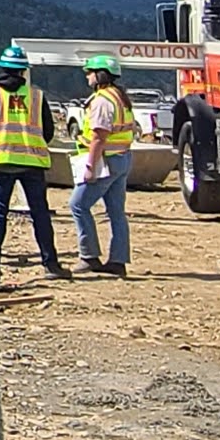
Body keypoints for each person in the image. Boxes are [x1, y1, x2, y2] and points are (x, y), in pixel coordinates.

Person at [0, 45, 68, 278]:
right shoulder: (37, 96)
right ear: (22, 72)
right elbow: (48, 131)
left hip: (1, 161)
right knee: (40, 213)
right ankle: (51, 264)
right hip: (32, 163)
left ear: (2, 68)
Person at [70, 55, 138, 275]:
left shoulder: (101, 100)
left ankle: (89, 256)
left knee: (78, 205)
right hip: (122, 158)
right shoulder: (120, 97)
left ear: (99, 75)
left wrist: (90, 165)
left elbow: (99, 136)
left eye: (90, 72)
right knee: (116, 211)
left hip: (106, 161)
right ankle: (118, 261)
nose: (87, 76)